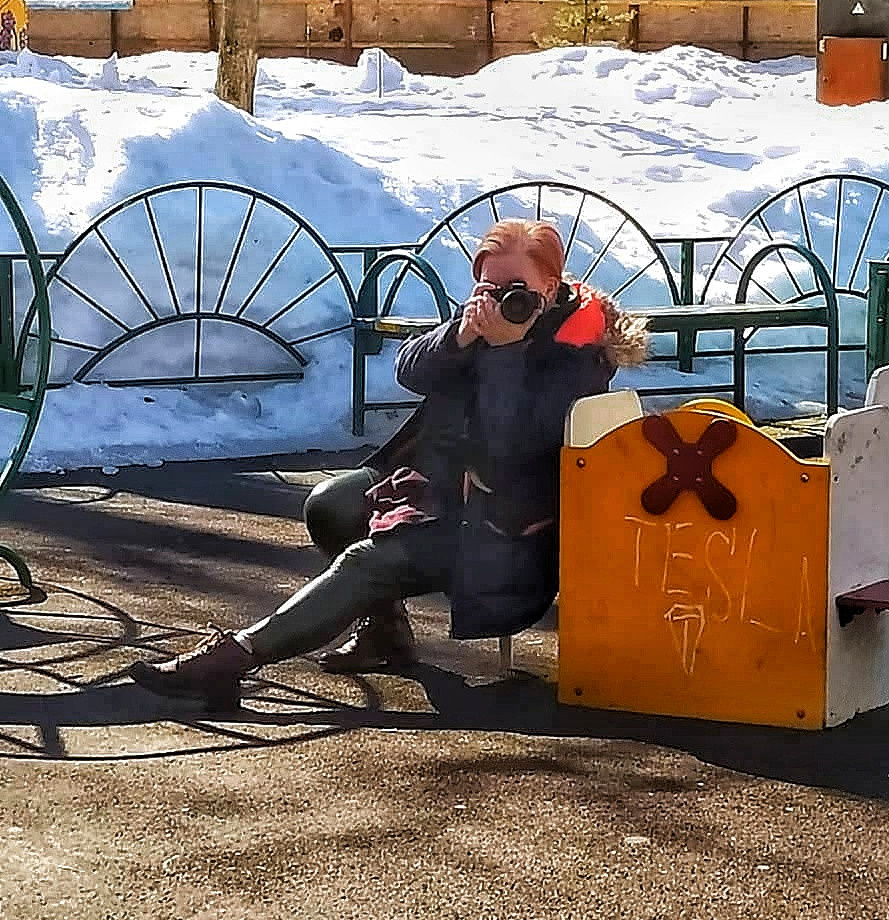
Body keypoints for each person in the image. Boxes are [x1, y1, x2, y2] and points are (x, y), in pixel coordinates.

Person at [128, 218, 648, 711]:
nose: (501, 301)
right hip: (439, 487)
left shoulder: (577, 359)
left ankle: (232, 659)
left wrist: (508, 354)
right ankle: (385, 631)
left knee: (368, 562)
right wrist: (461, 336)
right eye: (489, 289)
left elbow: (511, 448)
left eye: (517, 289)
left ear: (552, 289)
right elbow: (409, 371)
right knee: (331, 504)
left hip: (505, 526)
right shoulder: (484, 325)